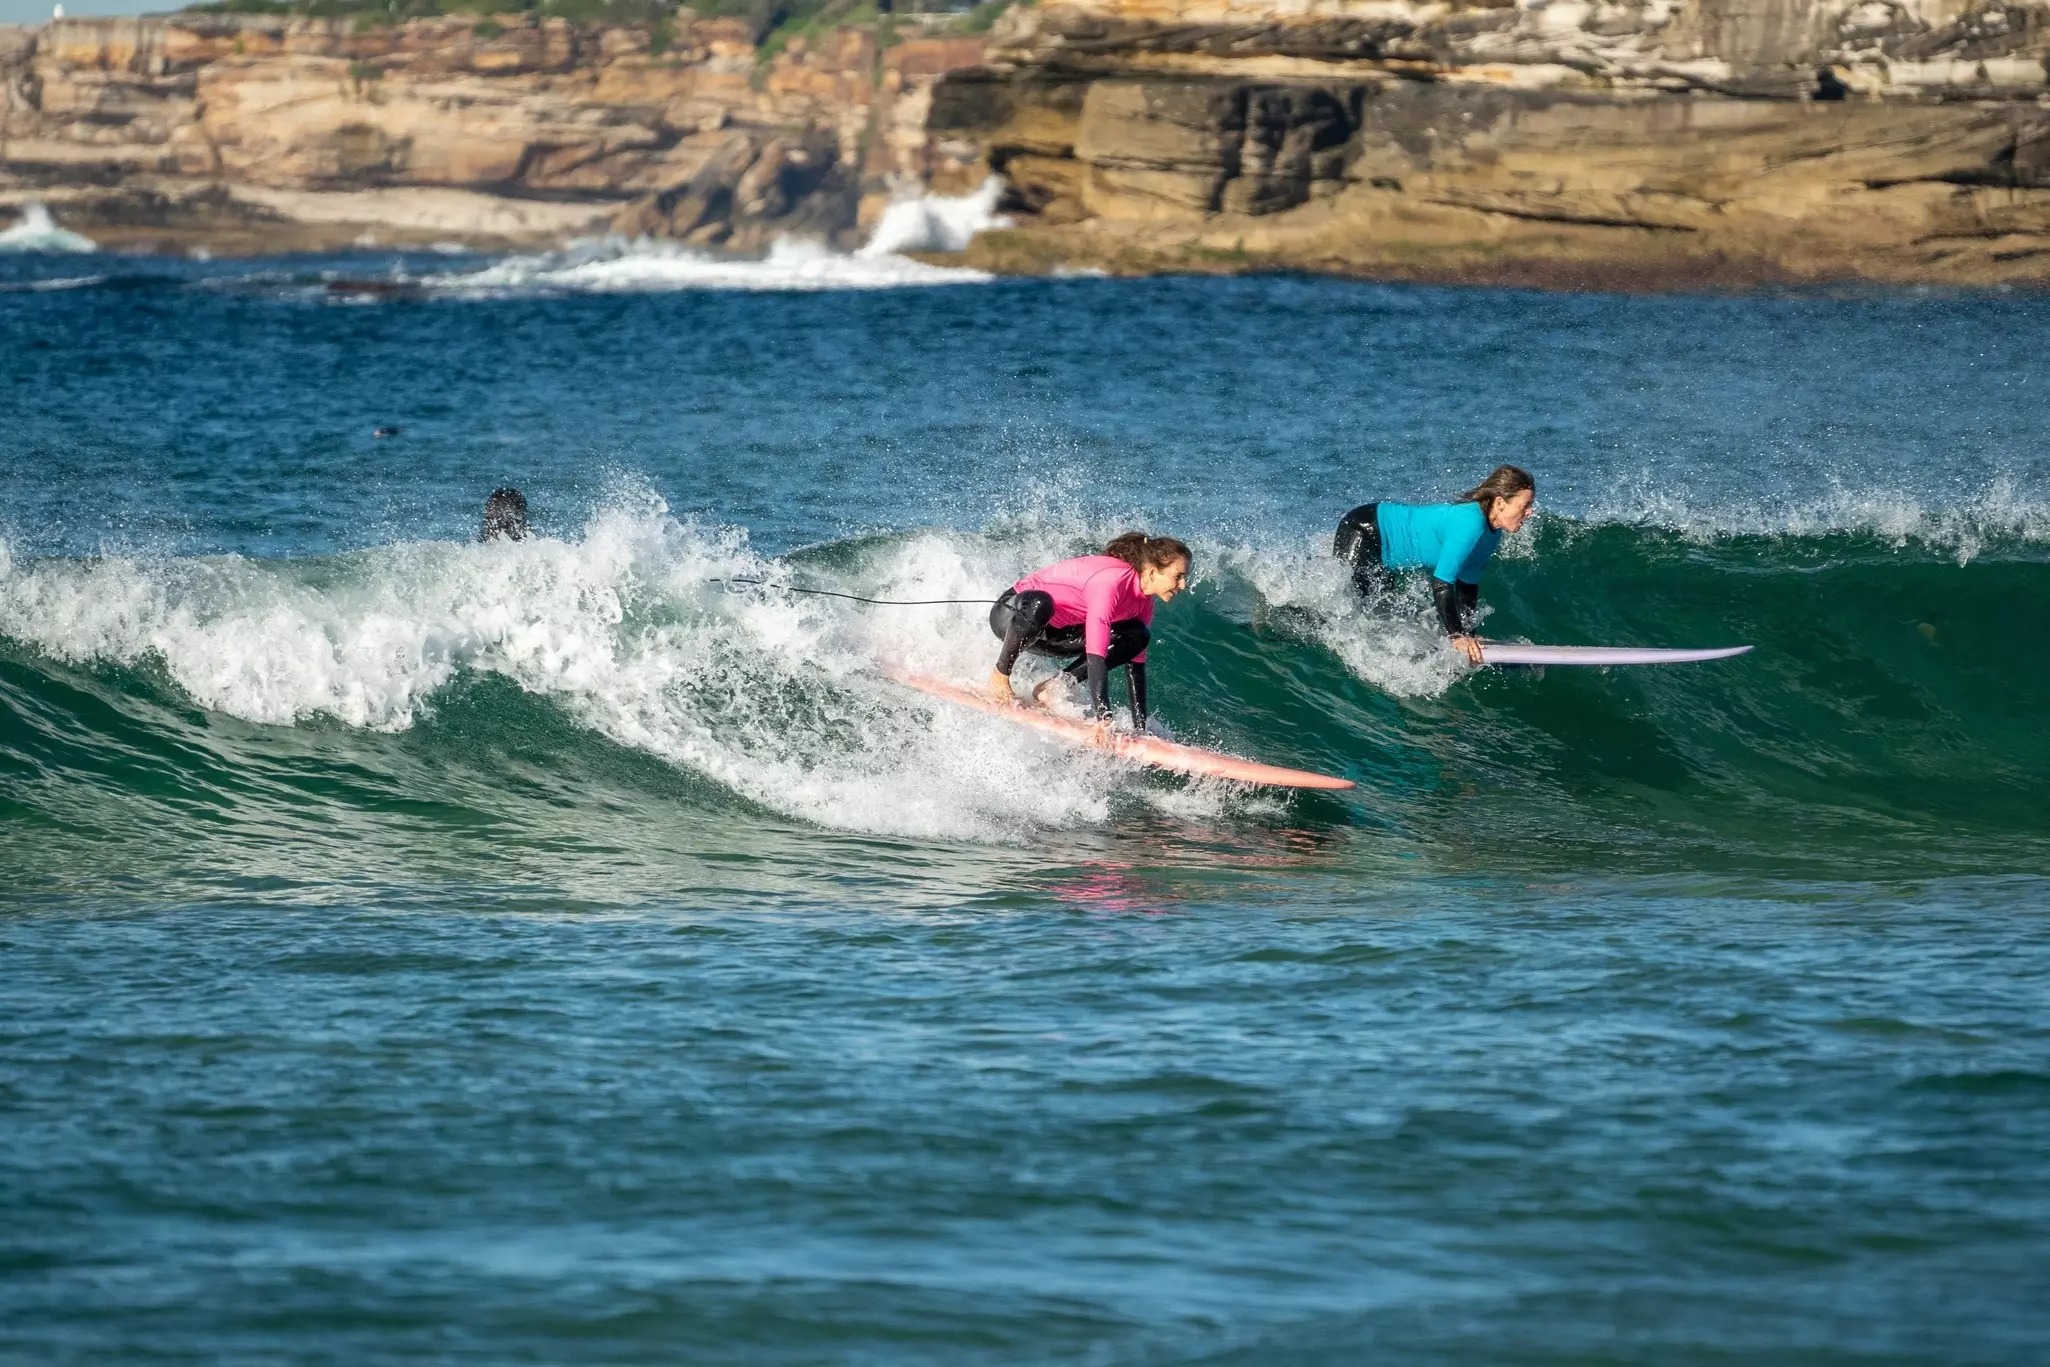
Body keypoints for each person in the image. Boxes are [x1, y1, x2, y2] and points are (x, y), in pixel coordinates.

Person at [987, 532, 1192, 730]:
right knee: (1040, 603)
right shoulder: (1112, 582)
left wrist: (1141, 728)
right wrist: (1104, 720)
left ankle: (1053, 687)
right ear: (1154, 572)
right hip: (1011, 617)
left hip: (1053, 636)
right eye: (1178, 576)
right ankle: (1000, 676)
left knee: (1138, 635)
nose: (1183, 585)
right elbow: (1096, 656)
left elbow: (1135, 668)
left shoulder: (1144, 603)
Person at [1333, 465, 1535, 664]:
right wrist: (1457, 637)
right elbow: (1442, 582)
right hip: (1366, 529)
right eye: (1525, 505)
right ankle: (1312, 622)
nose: (1530, 512)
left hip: (1385, 551)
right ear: (1500, 503)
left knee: (1379, 612)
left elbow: (1467, 585)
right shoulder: (1470, 522)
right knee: (1352, 605)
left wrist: (1469, 633)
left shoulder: (1492, 534)